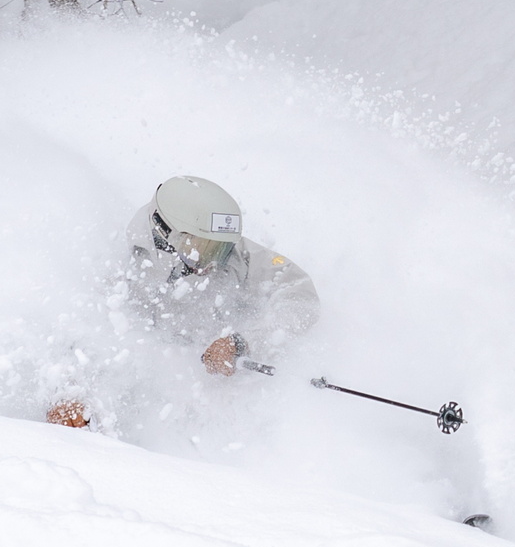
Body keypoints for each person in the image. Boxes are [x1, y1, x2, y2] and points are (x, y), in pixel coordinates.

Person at [47, 175, 320, 427]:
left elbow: (299, 294)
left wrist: (244, 343)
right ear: (166, 233)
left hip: (203, 402)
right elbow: (75, 332)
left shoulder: (235, 257)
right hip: (136, 399)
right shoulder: (114, 262)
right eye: (205, 250)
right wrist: (68, 391)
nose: (214, 263)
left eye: (222, 249)